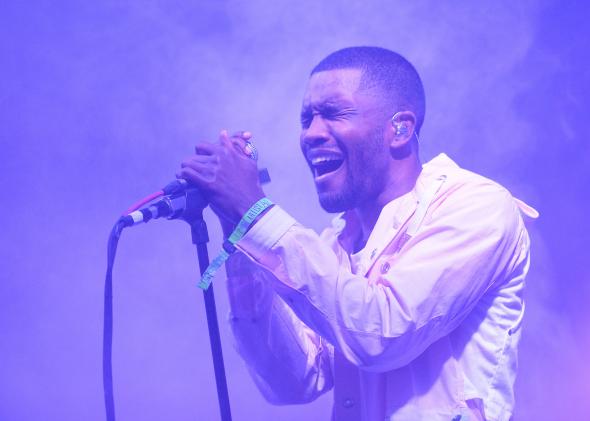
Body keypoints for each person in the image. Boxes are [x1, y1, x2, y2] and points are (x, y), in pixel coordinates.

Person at [177, 46, 536, 421]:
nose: (312, 134)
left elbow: (381, 335)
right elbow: (293, 382)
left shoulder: (476, 206)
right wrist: (239, 229)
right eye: (306, 119)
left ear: (399, 129)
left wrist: (256, 214)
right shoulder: (335, 244)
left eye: (334, 113)